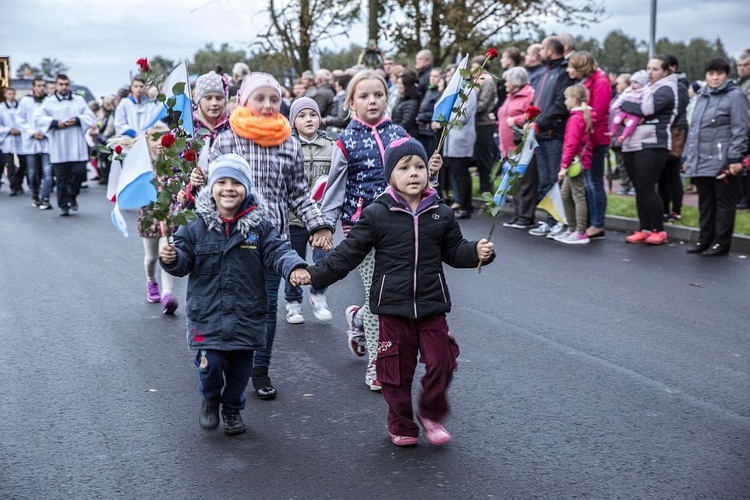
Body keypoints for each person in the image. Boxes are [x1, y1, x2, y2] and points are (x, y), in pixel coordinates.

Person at [304, 137, 495, 447]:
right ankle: (401, 422)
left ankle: (431, 413)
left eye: (419, 166)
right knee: (395, 372)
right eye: (404, 168)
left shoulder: (441, 213)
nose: (414, 173)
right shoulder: (377, 214)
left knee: (442, 362)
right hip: (391, 309)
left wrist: (477, 252)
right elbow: (348, 254)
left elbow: (455, 252)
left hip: (431, 308)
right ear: (390, 175)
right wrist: (314, 274)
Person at [189, 72, 334, 401]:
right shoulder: (226, 140)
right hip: (228, 241)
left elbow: (299, 194)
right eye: (260, 98)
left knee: (266, 309)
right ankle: (220, 361)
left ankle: (259, 368)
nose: (268, 105)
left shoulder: (290, 143)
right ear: (243, 101)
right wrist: (197, 184)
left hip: (271, 242)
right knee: (224, 305)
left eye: (274, 99)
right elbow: (209, 193)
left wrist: (319, 224)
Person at [159, 154, 309, 436]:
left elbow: (279, 250)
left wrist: (294, 266)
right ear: (211, 188)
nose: (229, 188)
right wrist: (171, 258)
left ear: (247, 189)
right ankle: (211, 398)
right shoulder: (194, 224)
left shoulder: (259, 226)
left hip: (247, 313)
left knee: (241, 371)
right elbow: (182, 260)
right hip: (208, 314)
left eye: (237, 183)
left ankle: (231, 407)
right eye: (222, 182)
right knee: (211, 364)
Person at [319, 70, 413, 391]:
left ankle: (359, 320)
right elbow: (334, 187)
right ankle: (377, 361)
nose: (372, 101)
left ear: (387, 99)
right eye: (364, 96)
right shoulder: (345, 141)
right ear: (351, 102)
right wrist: (325, 226)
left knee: (397, 293)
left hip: (401, 225)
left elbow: (415, 178)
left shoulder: (400, 133)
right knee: (380, 299)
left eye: (378, 95)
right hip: (362, 229)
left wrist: (431, 174)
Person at [683, 57, 749, 256]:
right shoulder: (702, 95)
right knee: (705, 202)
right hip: (701, 158)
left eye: (719, 74)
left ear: (726, 75)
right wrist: (687, 157)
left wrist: (735, 158)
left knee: (724, 203)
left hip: (723, 160)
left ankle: (721, 243)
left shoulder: (735, 95)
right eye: (711, 74)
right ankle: (705, 239)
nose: (715, 78)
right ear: (706, 75)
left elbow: (741, 129)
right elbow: (694, 129)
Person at [283, 97, 335, 323]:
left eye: (312, 114)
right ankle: (293, 303)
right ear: (293, 121)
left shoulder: (332, 147)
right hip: (293, 219)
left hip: (321, 219)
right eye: (302, 116)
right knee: (294, 261)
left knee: (323, 260)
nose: (308, 119)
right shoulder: (287, 145)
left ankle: (318, 295)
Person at [620, 55, 677, 245]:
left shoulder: (667, 89)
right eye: (649, 68)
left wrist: (626, 104)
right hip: (632, 142)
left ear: (666, 72)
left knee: (647, 186)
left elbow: (648, 109)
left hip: (653, 142)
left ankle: (659, 230)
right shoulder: (645, 88)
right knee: (639, 188)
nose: (650, 73)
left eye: (655, 69)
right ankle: (644, 227)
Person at [527, 36, 574, 238]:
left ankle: (559, 221)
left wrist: (540, 122)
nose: (540, 53)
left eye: (543, 49)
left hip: (552, 134)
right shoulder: (547, 72)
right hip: (540, 134)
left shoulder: (562, 72)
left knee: (554, 180)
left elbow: (559, 105)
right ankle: (549, 220)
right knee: (545, 180)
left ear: (552, 51)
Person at [33, 74, 97, 216]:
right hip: (59, 146)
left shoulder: (79, 101)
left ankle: (72, 195)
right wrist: (56, 123)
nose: (64, 87)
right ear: (56, 85)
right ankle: (63, 205)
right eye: (61, 84)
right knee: (61, 178)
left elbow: (90, 117)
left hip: (76, 145)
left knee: (80, 173)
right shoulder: (49, 102)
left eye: (66, 84)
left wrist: (78, 120)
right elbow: (38, 118)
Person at [133, 122, 180, 313]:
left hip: (169, 214)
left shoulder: (174, 162)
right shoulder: (142, 164)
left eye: (163, 136)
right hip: (150, 215)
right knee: (151, 258)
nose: (159, 142)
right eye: (154, 137)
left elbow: (181, 182)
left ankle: (167, 294)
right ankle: (151, 281)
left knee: (167, 252)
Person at [566, 52, 611, 240]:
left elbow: (597, 113)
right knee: (588, 183)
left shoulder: (600, 82)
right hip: (587, 140)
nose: (568, 70)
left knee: (594, 183)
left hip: (596, 140)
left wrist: (577, 118)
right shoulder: (588, 82)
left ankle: (597, 223)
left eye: (571, 67)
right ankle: (590, 221)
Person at [496, 67, 536, 229]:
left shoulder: (529, 94)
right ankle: (518, 213)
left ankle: (526, 216)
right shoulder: (510, 97)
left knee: (525, 182)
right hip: (508, 147)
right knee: (514, 183)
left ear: (517, 81)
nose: (505, 84)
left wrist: (518, 119)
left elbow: (533, 113)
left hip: (522, 146)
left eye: (508, 81)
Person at [553, 85, 594, 244]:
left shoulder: (576, 118)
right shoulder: (583, 116)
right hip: (577, 162)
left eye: (566, 98)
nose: (565, 101)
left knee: (577, 195)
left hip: (574, 163)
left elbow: (571, 144)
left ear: (574, 99)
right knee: (566, 194)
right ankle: (572, 228)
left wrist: (564, 166)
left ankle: (580, 231)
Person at [439, 70, 478, 220]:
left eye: (450, 75)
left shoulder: (468, 91)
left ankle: (465, 206)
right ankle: (461, 202)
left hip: (461, 138)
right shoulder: (457, 90)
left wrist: (445, 114)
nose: (448, 78)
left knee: (462, 174)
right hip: (453, 138)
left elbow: (463, 116)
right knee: (456, 173)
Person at [659, 55, 689, 223]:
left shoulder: (679, 85)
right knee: (662, 174)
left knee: (672, 172)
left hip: (675, 130)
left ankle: (675, 210)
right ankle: (663, 209)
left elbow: (679, 106)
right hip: (664, 131)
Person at [16, 77, 52, 208]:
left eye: (43, 85)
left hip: (47, 141)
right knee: (32, 172)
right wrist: (32, 132)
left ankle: (45, 197)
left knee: (48, 171)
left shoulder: (50, 101)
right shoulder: (26, 101)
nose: (41, 88)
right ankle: (35, 195)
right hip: (31, 142)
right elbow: (20, 119)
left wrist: (44, 132)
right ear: (33, 87)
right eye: (39, 85)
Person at [471, 55, 499, 196]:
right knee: (479, 158)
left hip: (484, 124)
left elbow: (483, 103)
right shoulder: (476, 81)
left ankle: (487, 188)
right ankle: (482, 187)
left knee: (485, 158)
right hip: (476, 123)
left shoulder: (487, 82)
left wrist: (469, 109)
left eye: (475, 66)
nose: (471, 69)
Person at [609, 70, 649, 144]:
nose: (616, 86)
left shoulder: (637, 96)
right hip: (615, 135)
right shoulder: (618, 98)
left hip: (624, 135)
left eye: (619, 84)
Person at [0, 87, 25, 196]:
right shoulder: (1, 108)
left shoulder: (20, 107)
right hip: (7, 139)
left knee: (23, 164)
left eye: (13, 94)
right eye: (9, 94)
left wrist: (20, 130)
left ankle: (19, 182)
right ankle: (14, 186)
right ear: (5, 95)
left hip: (20, 138)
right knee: (10, 165)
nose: (11, 96)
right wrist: (8, 130)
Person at [416, 67, 443, 158]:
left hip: (431, 132)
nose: (432, 78)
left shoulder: (440, 94)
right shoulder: (429, 92)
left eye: (435, 76)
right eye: (431, 76)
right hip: (422, 130)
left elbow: (437, 113)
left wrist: (420, 117)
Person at [390, 71, 419, 138]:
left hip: (405, 137)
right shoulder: (401, 99)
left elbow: (406, 123)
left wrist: (394, 132)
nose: (398, 86)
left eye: (400, 84)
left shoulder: (411, 103)